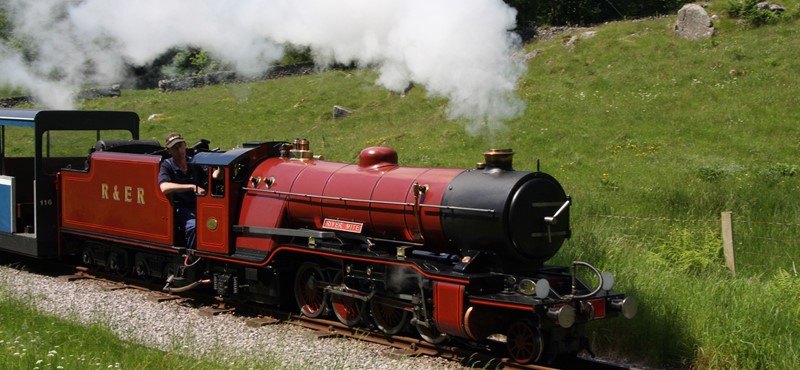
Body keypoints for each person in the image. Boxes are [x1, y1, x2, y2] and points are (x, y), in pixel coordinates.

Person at [158, 132, 206, 248]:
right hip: (180, 208)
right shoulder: (167, 165)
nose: (179, 151)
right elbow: (164, 187)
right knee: (194, 226)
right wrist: (192, 187)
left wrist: (220, 169)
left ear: (185, 145)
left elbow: (213, 175)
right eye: (174, 148)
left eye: (180, 146)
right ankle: (191, 256)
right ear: (168, 151)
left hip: (200, 205)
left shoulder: (194, 162)